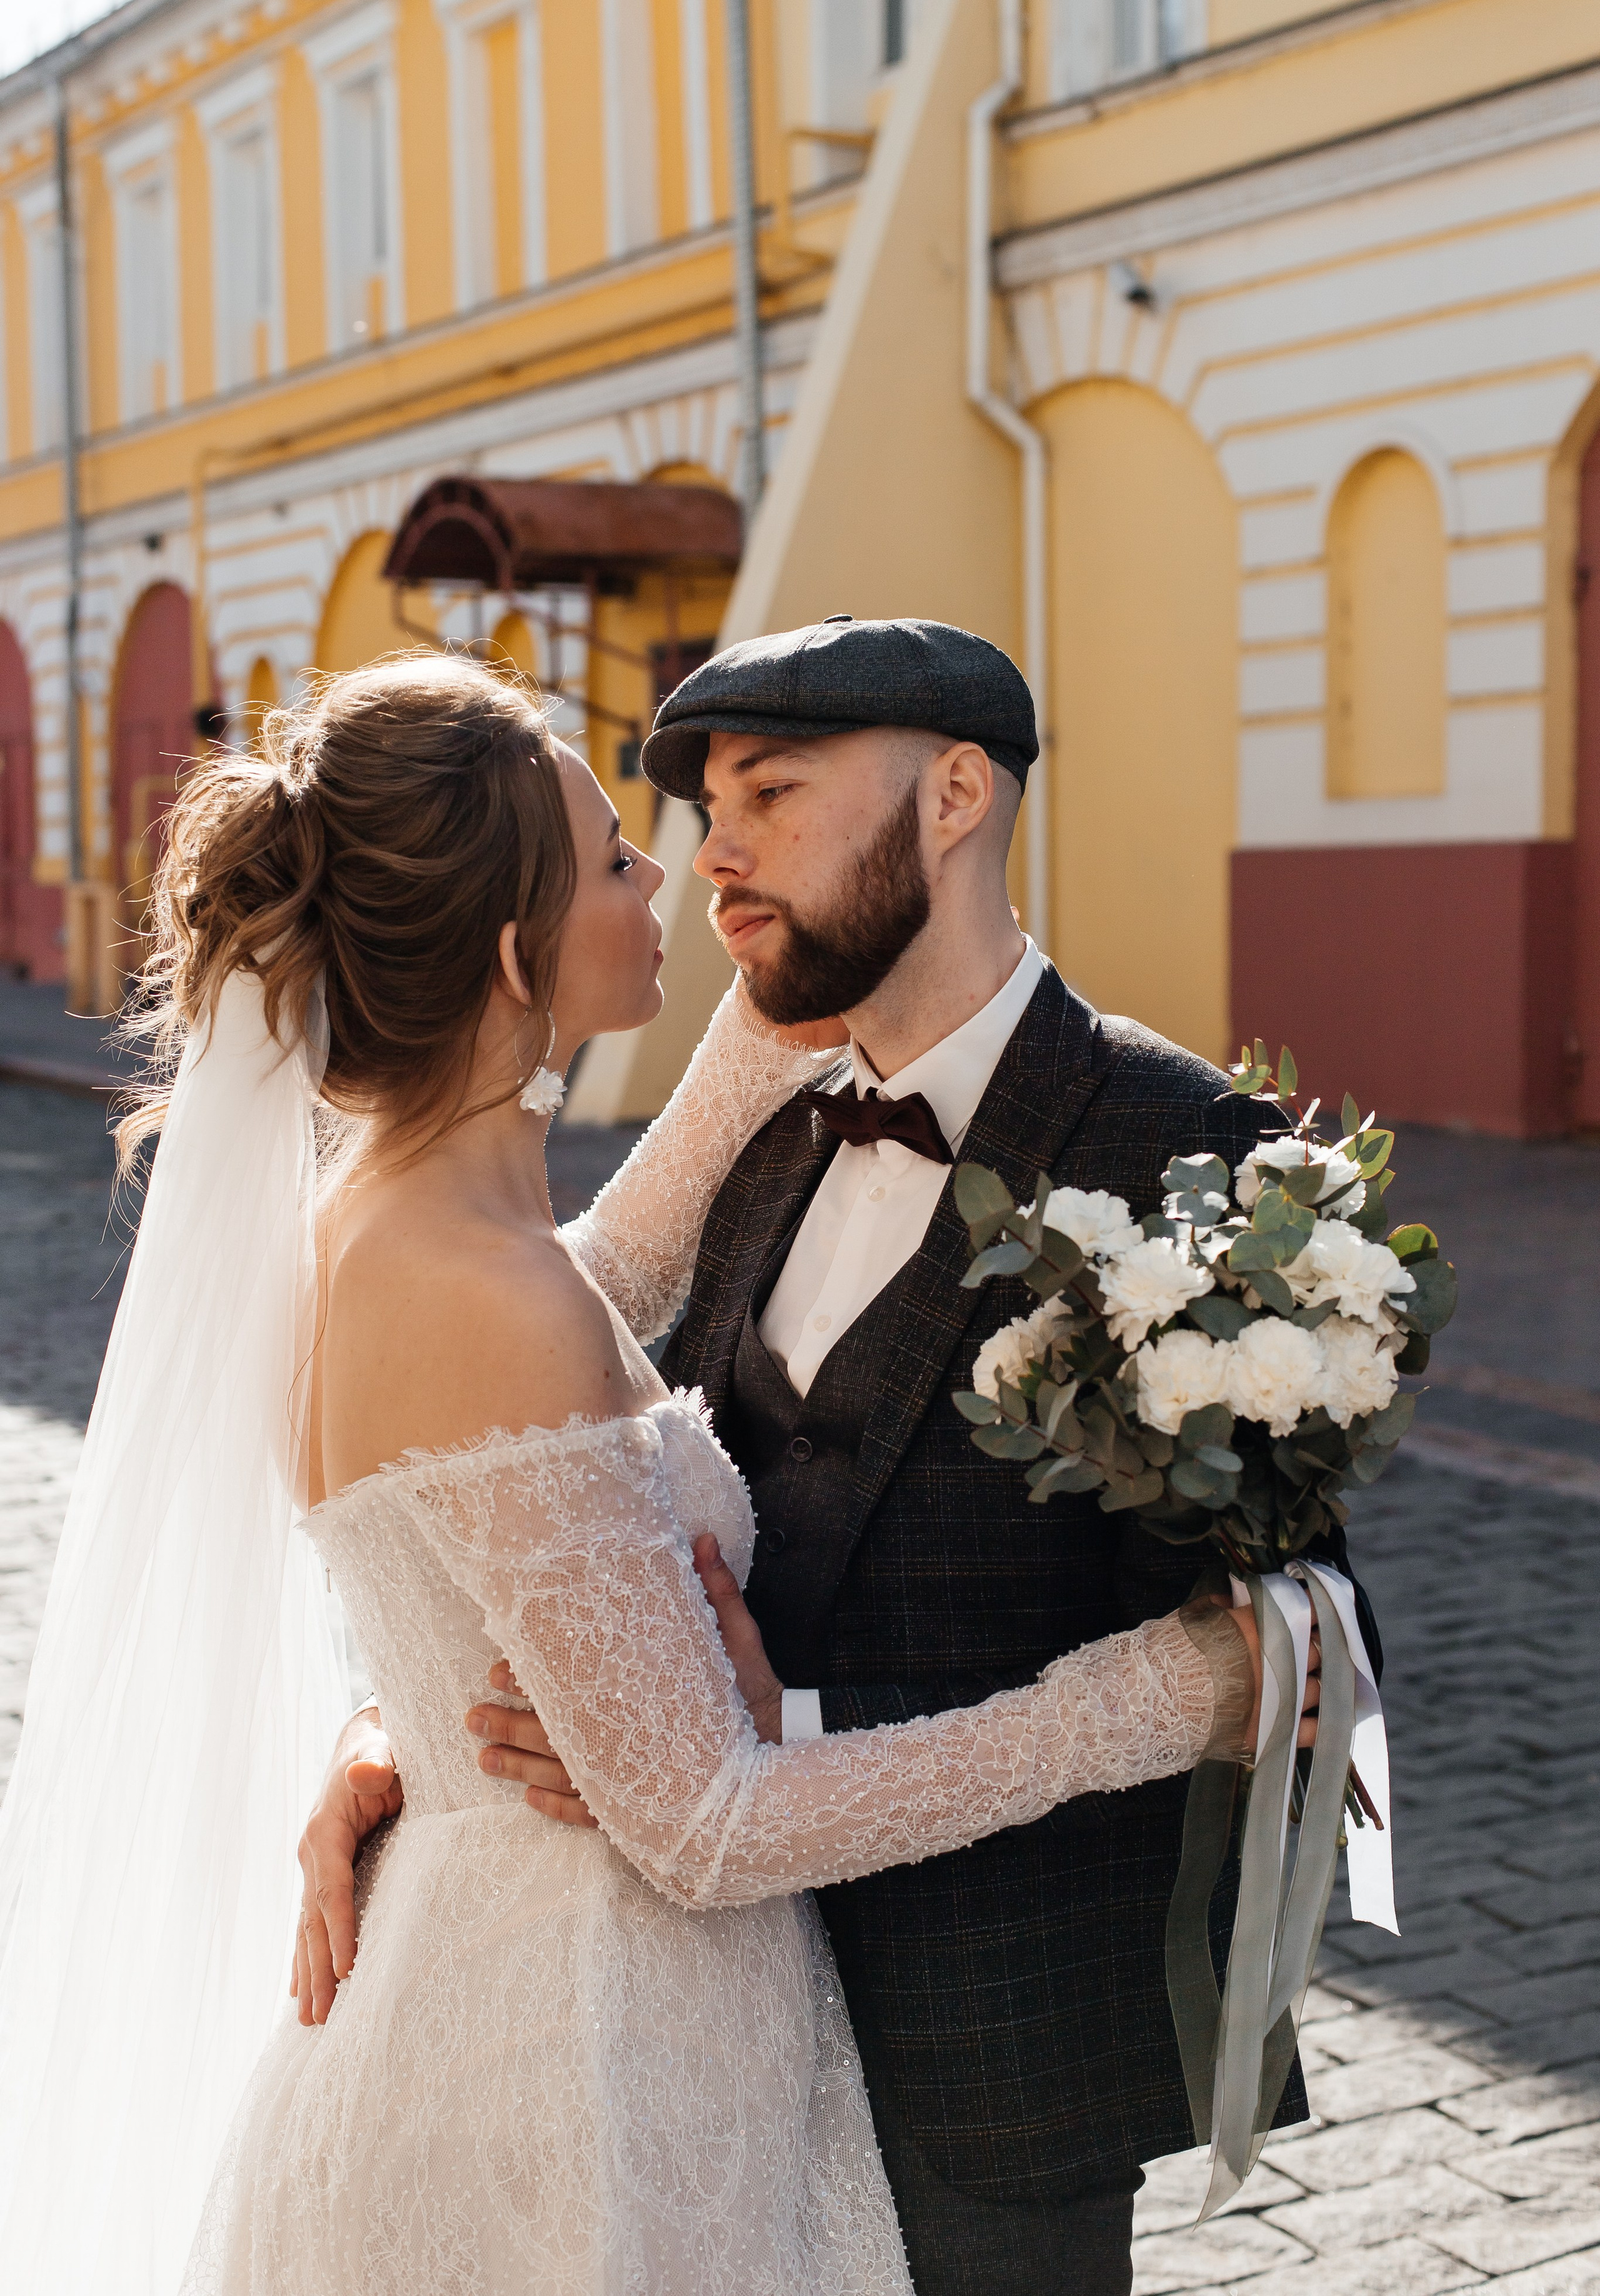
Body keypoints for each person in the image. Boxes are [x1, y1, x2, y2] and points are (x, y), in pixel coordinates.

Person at [0, 652, 1268, 2296]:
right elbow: (706, 1822)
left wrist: (409, 1725)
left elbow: (579, 1335)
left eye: (759, 803)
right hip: (579, 2067)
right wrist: (1171, 1695)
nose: (679, 866)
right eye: (619, 853)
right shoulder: (474, 1286)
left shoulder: (407, 1223)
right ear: (521, 949)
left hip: (626, 2007)